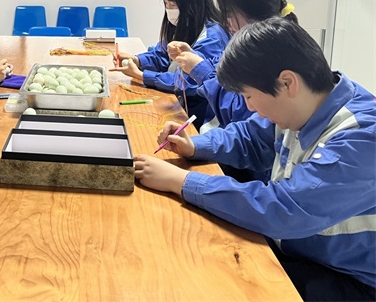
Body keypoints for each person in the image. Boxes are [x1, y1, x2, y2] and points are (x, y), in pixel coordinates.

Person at [134, 18, 376, 302]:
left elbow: (285, 208)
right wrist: (193, 146)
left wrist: (182, 181)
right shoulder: (306, 103)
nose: (250, 107)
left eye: (249, 96)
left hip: (349, 279)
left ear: (287, 82)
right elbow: (250, 136)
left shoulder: (360, 137)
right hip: (300, 249)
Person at [168, 0, 299, 132]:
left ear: (253, 13)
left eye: (230, 14)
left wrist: (201, 71)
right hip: (218, 135)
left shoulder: (269, 57)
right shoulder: (245, 46)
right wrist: (194, 58)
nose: (226, 22)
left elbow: (239, 115)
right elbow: (218, 67)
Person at [112, 0, 229, 124]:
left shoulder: (212, 38)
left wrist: (141, 75)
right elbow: (161, 54)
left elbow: (189, 83)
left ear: (191, 5)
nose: (169, 10)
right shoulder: (183, 24)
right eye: (166, 4)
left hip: (197, 114)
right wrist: (137, 60)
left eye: (172, 5)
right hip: (177, 103)